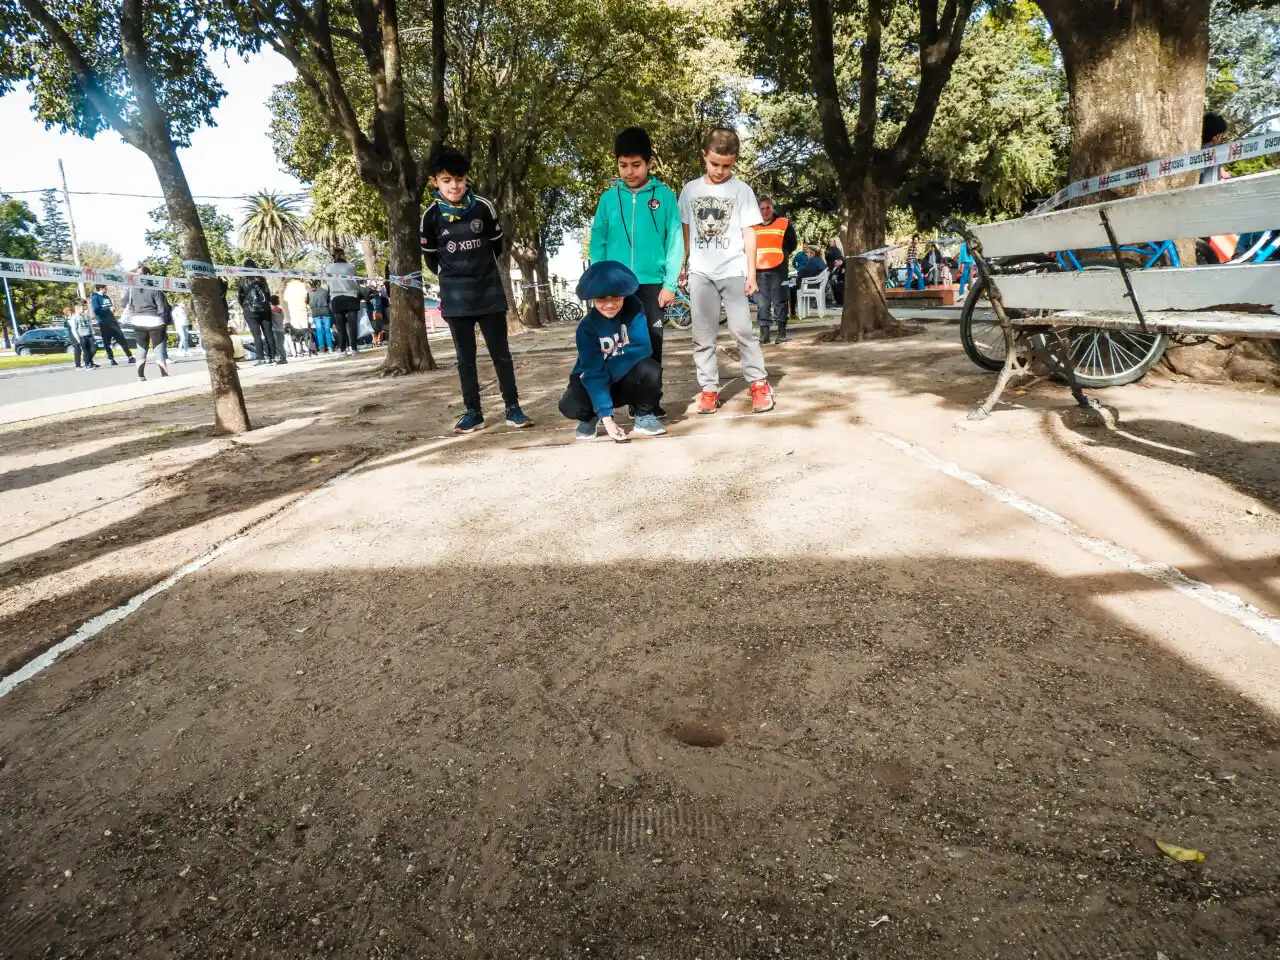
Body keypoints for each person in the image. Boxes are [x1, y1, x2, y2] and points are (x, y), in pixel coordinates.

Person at [421, 144, 533, 433]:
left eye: (459, 179)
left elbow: (497, 246)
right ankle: (473, 411)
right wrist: (454, 277)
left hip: (489, 293)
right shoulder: (430, 217)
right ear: (435, 181)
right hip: (455, 298)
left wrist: (478, 271)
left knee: (501, 354)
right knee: (465, 358)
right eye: (447, 180)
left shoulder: (483, 207)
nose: (454, 186)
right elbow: (432, 258)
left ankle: (513, 408)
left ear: (466, 179)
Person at [678, 127, 775, 415]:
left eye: (727, 166)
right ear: (704, 157)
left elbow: (749, 234)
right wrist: (681, 268)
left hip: (733, 270)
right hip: (700, 273)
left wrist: (752, 273)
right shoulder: (690, 190)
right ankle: (708, 389)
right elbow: (685, 233)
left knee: (742, 329)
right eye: (714, 164)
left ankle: (758, 383)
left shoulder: (741, 190)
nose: (720, 171)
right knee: (703, 335)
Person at [588, 127, 683, 379]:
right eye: (623, 165)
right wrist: (601, 281)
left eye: (636, 165)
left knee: (652, 342)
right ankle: (620, 396)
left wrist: (670, 284)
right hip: (616, 287)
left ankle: (649, 403)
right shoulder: (608, 199)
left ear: (649, 163)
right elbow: (597, 241)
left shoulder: (664, 196)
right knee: (618, 345)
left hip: (653, 285)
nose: (629, 172)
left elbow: (674, 241)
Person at [558, 261, 665, 443]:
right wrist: (607, 418)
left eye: (615, 297)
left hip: (619, 379)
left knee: (651, 368)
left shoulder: (634, 307)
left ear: (624, 295)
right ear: (592, 299)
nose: (609, 304)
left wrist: (606, 370)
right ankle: (592, 416)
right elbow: (592, 371)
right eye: (601, 299)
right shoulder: (586, 328)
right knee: (570, 405)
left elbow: (642, 347)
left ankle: (644, 415)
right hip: (594, 380)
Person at [752, 196, 796, 345]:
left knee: (780, 301)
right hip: (759, 269)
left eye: (767, 208)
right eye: (762, 209)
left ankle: (781, 333)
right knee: (762, 303)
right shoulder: (753, 225)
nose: (765, 211)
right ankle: (764, 333)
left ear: (772, 208)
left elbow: (792, 244)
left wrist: (781, 253)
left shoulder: (784, 223)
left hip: (779, 269)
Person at [123, 265, 170, 381]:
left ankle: (140, 375)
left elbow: (125, 302)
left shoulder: (132, 289)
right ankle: (164, 375)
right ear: (148, 275)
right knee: (158, 348)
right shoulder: (154, 288)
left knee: (141, 348)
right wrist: (163, 319)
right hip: (155, 320)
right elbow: (162, 308)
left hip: (138, 320)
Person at [236, 260, 275, 365]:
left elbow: (240, 297)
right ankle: (273, 357)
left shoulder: (243, 281)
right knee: (268, 333)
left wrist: (245, 307)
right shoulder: (262, 279)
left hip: (250, 311)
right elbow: (267, 294)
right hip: (265, 310)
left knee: (256, 335)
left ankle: (261, 358)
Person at [324, 249, 362, 356]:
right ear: (344, 255)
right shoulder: (351, 267)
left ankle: (342, 349)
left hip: (336, 297)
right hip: (351, 296)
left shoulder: (328, 268)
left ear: (332, 256)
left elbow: (328, 282)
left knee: (340, 326)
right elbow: (356, 282)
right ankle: (354, 348)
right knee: (352, 325)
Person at [90, 284, 133, 365]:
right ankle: (111, 359)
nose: (107, 289)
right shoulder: (95, 297)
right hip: (104, 323)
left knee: (121, 339)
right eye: (105, 287)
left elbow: (109, 307)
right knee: (107, 342)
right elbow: (96, 310)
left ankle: (130, 356)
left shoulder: (106, 297)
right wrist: (107, 309)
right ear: (101, 288)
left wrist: (112, 309)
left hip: (113, 321)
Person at [69, 301, 99, 368]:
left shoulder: (86, 316)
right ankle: (87, 365)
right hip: (82, 336)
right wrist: (77, 337)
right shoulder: (74, 318)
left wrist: (93, 334)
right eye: (82, 309)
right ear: (77, 309)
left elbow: (90, 325)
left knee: (94, 349)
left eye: (84, 308)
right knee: (85, 351)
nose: (84, 310)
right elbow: (74, 329)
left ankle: (89, 361)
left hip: (89, 335)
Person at [309, 280, 334, 353]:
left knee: (319, 331)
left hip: (315, 313)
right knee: (327, 330)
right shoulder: (325, 291)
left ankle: (322, 348)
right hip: (325, 311)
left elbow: (309, 303)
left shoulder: (310, 292)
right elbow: (328, 301)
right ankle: (330, 347)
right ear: (319, 283)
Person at [824, 238, 844, 306]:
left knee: (831, 283)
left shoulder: (835, 250)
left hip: (835, 271)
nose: (830, 242)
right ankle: (832, 299)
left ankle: (832, 300)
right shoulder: (833, 250)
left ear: (835, 242)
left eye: (832, 241)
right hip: (833, 269)